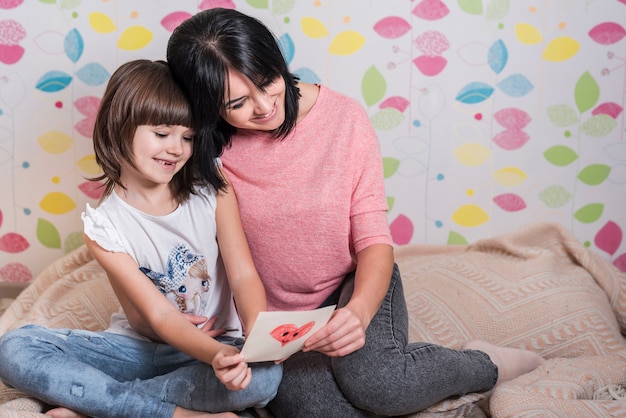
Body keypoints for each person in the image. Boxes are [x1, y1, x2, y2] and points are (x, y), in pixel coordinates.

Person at [164, 8, 545, 417]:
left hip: (353, 281)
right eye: (237, 102)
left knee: (382, 385)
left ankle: (483, 364)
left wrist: (358, 312)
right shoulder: (205, 150)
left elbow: (373, 239)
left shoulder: (343, 118)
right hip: (277, 317)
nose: (263, 106)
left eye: (267, 81)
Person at [0, 59, 281, 418]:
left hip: (216, 344)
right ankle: (177, 414)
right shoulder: (104, 226)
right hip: (137, 350)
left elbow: (243, 275)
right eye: (162, 134)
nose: (177, 149)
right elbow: (160, 316)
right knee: (15, 348)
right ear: (120, 128)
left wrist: (254, 343)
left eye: (188, 137)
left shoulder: (213, 188)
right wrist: (210, 355)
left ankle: (99, 406)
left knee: (265, 379)